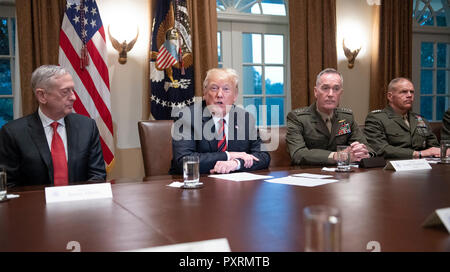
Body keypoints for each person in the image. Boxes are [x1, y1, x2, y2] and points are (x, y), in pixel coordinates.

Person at [0, 65, 106, 187]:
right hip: (34, 205)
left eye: (73, 90)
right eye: (65, 92)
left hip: (80, 204)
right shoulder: (13, 133)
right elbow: (8, 185)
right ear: (42, 96)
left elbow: (97, 176)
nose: (73, 97)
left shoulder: (87, 127)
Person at [170, 68, 270, 174]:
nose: (219, 94)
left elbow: (263, 157)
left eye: (226, 89)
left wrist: (236, 163)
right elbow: (184, 161)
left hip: (234, 185)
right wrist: (229, 155)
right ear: (204, 92)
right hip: (198, 183)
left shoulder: (245, 118)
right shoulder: (186, 117)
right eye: (214, 88)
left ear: (235, 95)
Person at [286, 68, 373, 165]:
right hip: (310, 174)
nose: (331, 94)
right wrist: (337, 156)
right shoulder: (298, 118)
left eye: (336, 89)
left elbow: (367, 147)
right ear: (316, 92)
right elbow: (298, 154)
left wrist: (364, 153)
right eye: (325, 88)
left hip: (343, 176)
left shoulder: (347, 117)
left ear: (341, 93)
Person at [364, 77, 440, 159]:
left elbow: (434, 147)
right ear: (390, 96)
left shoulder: (419, 119)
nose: (409, 95)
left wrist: (442, 151)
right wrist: (418, 154)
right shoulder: (376, 118)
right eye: (404, 92)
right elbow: (380, 149)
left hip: (425, 165)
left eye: (412, 92)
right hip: (392, 166)